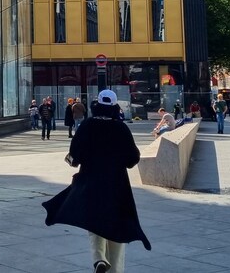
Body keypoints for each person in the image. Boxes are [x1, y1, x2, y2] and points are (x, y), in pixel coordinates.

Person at [43, 90, 151, 273]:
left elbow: (74, 155)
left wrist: (76, 159)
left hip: (90, 181)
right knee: (117, 224)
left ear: (97, 105)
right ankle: (115, 270)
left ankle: (99, 258)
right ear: (115, 106)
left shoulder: (87, 125)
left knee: (94, 219)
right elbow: (132, 159)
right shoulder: (120, 128)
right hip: (116, 184)